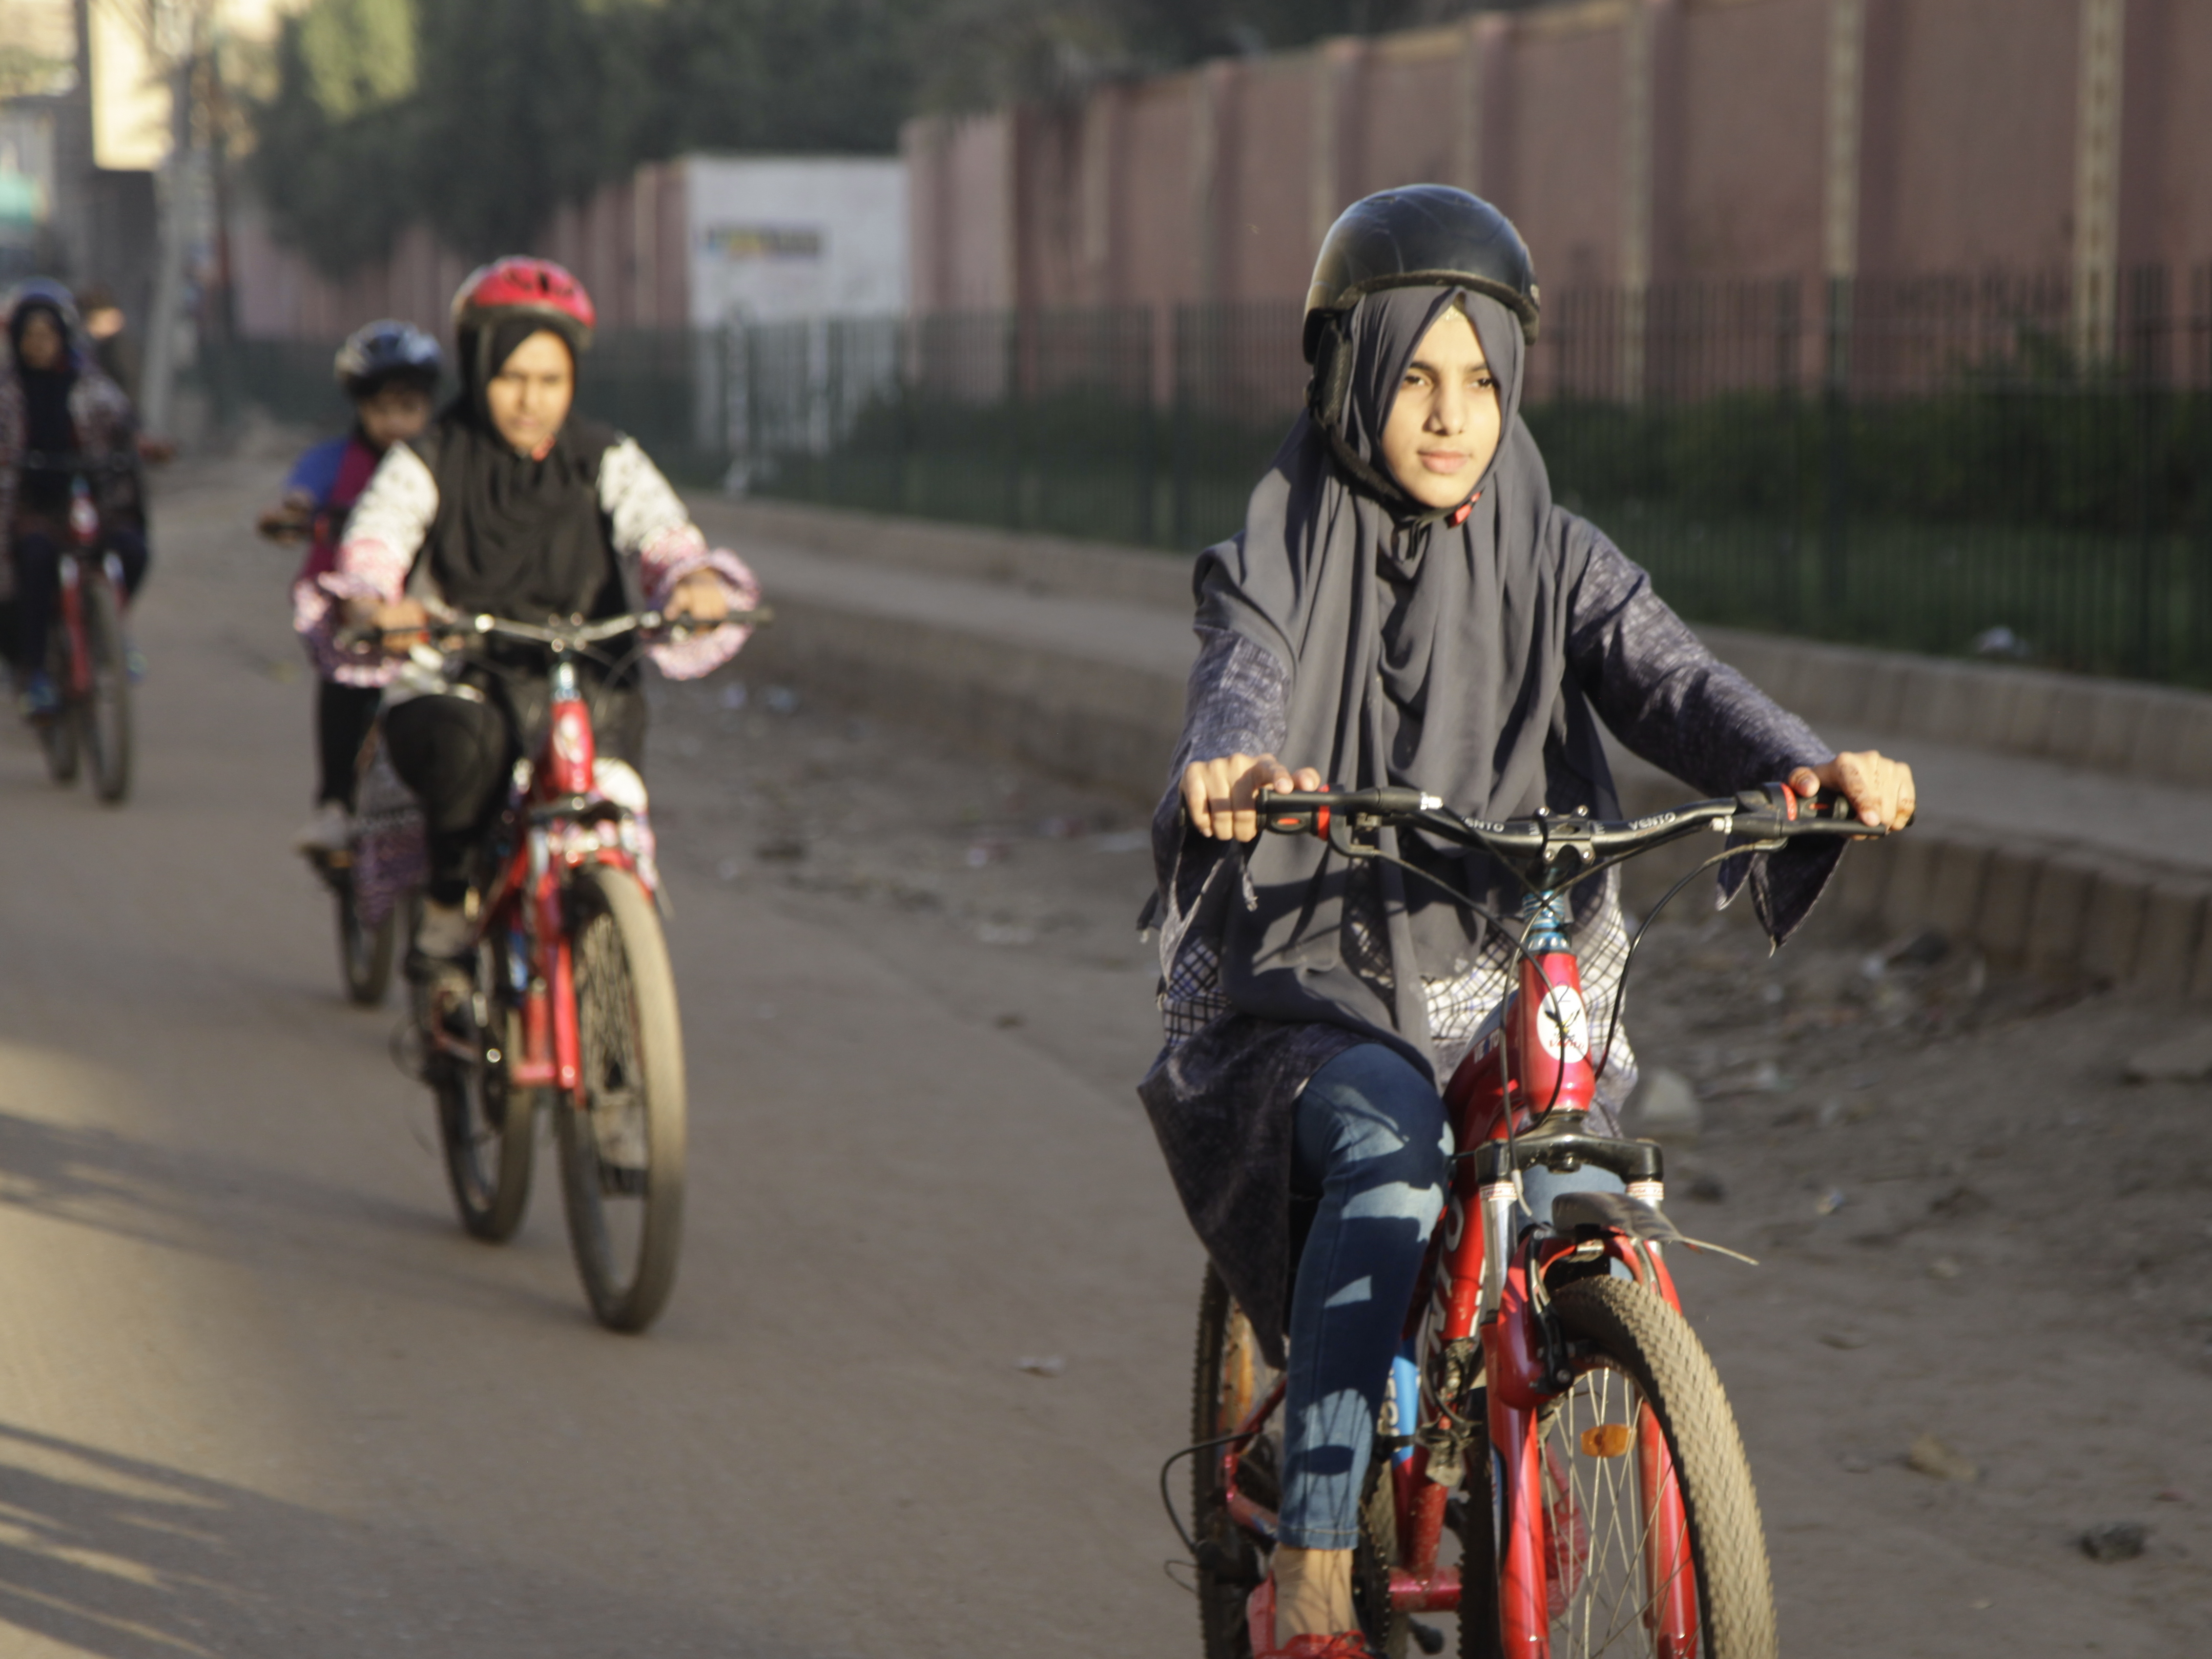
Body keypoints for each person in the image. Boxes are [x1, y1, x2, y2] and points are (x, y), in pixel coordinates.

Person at [1138, 187, 1917, 1659]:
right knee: (1391, 1154)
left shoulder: (1559, 553)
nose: (1451, 415)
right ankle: (1311, 1562)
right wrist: (1235, 771)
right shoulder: (1272, 552)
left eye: (1482, 379)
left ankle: (1550, 1378)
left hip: (1516, 933)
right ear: (1349, 373)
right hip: (1322, 968)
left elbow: (1672, 681)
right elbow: (1239, 680)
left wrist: (1797, 769)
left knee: (1561, 1118)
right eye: (1416, 376)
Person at [300, 256, 757, 995]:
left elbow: (661, 531)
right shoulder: (428, 458)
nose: (530, 401)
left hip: (582, 671)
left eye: (550, 381)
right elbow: (378, 538)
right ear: (479, 369)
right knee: (462, 751)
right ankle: (448, 915)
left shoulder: (604, 456)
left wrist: (692, 581)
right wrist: (375, 603)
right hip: (458, 673)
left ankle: (606, 976)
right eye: (513, 377)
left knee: (608, 799)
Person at [260, 319, 442, 853]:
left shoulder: (446, 460)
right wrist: (291, 512)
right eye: (382, 409)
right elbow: (300, 493)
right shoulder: (334, 460)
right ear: (359, 408)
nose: (396, 422)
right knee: (346, 684)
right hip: (356, 617)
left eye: (409, 408)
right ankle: (335, 802)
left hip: (431, 609)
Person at [0, 279, 150, 718]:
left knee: (131, 549)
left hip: (91, 502)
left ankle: (110, 630)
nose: (38, 346)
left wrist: (143, 445)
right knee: (34, 558)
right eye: (29, 337)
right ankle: (35, 670)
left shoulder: (92, 386)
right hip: (32, 508)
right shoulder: (7, 394)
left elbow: (124, 424)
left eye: (47, 336)